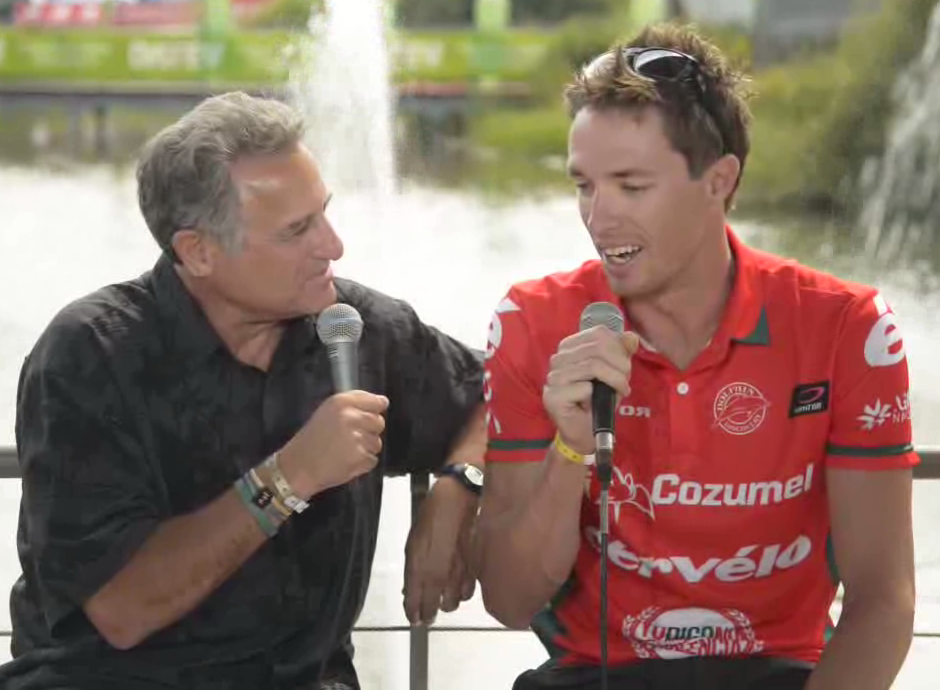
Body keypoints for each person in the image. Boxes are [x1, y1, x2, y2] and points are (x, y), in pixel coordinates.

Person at [475, 23, 916, 690]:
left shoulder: (847, 326)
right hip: (592, 676)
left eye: (631, 186)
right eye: (584, 185)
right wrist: (569, 451)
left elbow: (883, 603)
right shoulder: (530, 319)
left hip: (785, 676)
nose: (598, 217)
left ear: (719, 180)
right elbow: (508, 601)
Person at [1, 92, 487, 689]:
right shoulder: (88, 355)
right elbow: (122, 610)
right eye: (297, 230)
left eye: (324, 213)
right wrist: (290, 476)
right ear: (198, 252)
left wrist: (460, 485)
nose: (333, 245)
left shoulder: (357, 326)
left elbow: (501, 392)